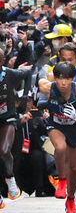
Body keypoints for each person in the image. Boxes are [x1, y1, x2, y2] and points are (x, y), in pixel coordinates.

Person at [36, 62, 76, 213]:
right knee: (60, 147)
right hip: (56, 125)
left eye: (67, 79)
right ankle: (61, 180)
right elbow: (40, 82)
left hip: (75, 127)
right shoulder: (49, 87)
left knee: (75, 168)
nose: (63, 82)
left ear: (73, 78)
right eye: (60, 78)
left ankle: (71, 199)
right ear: (55, 78)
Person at [0, 53, 30, 202]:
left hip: (7, 117)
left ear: (2, 61)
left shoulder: (9, 73)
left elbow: (28, 73)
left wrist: (25, 96)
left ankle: (11, 178)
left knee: (4, 151)